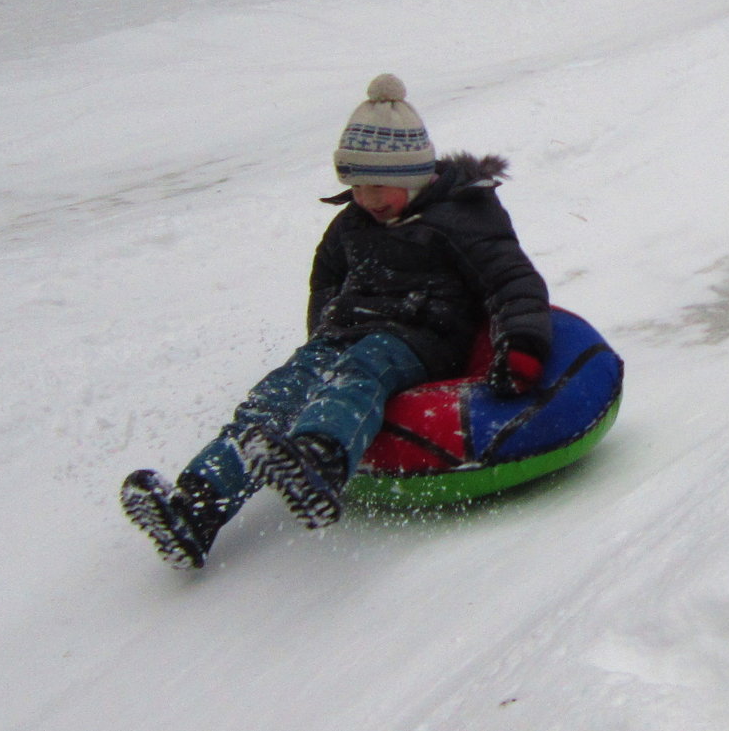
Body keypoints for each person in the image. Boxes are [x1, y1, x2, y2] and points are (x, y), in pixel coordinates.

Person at [121, 74, 552, 569]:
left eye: (377, 185)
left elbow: (512, 282)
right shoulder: (354, 221)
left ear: (412, 173)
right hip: (353, 329)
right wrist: (323, 332)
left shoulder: (463, 217)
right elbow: (326, 276)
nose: (365, 198)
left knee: (361, 369)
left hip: (422, 339)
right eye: (355, 185)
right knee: (278, 393)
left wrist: (521, 346)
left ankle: (321, 463)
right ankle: (197, 508)